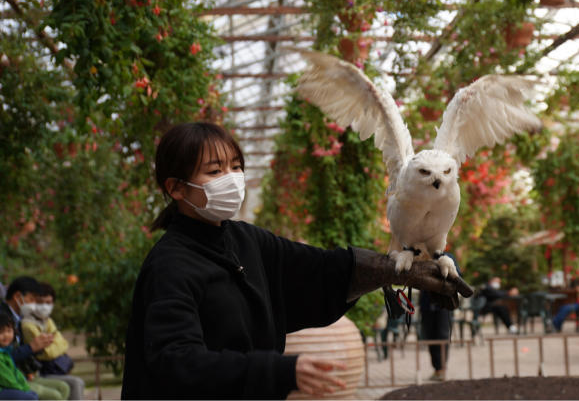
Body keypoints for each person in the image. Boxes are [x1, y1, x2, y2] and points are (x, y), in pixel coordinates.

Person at [121, 122, 472, 400]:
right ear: (176, 188)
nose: (231, 179)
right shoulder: (170, 266)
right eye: (215, 172)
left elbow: (317, 270)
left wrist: (398, 271)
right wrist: (281, 371)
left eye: (236, 166)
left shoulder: (246, 240)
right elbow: (176, 363)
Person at [0, 278, 69, 400]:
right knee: (51, 396)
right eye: (32, 299)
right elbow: (6, 356)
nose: (35, 305)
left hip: (22, 375)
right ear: (17, 296)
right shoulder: (4, 317)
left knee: (64, 387)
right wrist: (31, 347)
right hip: (11, 380)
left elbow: (62, 343)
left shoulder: (20, 318)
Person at [20, 283, 84, 401]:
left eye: (48, 303)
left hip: (54, 369)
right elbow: (46, 353)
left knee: (74, 383)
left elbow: (64, 344)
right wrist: (56, 344)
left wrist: (55, 345)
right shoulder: (28, 324)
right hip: (41, 372)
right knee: (75, 383)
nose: (44, 306)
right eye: (40, 302)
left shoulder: (47, 321)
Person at [419, 253, 460, 382]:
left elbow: (457, 276)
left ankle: (441, 369)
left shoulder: (448, 257)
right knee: (430, 336)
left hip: (443, 305)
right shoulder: (422, 257)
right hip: (427, 306)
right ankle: (437, 369)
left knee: (442, 336)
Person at [0, 310, 38, 400]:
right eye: (1, 332)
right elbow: (7, 379)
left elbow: (16, 373)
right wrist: (22, 390)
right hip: (3, 389)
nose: (6, 335)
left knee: (33, 395)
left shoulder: (5, 352)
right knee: (30, 398)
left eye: (9, 331)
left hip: (8, 388)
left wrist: (25, 388)